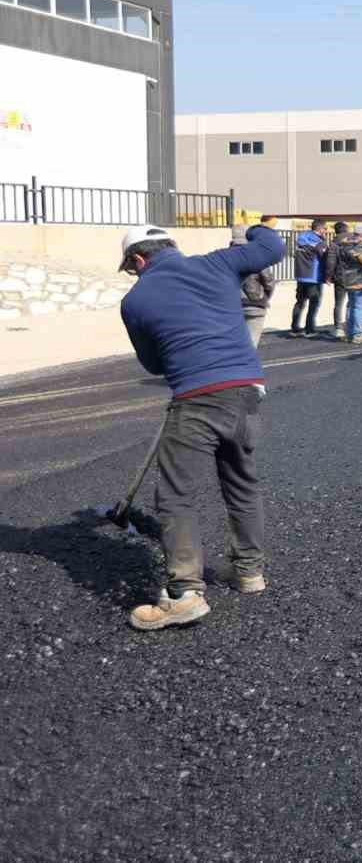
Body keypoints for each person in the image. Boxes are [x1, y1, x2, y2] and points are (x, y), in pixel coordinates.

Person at [117, 221, 286, 630]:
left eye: (131, 268)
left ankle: (185, 594)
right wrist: (253, 228)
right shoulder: (219, 263)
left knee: (176, 498)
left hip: (196, 399)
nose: (133, 274)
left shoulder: (135, 301)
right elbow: (274, 246)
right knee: (241, 483)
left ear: (139, 260)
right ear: (172, 246)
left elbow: (154, 363)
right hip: (247, 391)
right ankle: (249, 572)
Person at [233, 224, 275, 347]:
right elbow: (269, 281)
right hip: (255, 303)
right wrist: (264, 297)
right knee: (251, 342)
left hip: (232, 304)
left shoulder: (224, 256)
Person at [288, 218, 329, 337]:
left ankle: (294, 328)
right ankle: (309, 329)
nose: (326, 231)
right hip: (313, 277)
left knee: (299, 302)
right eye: (325, 229)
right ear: (320, 229)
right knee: (313, 303)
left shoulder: (301, 238)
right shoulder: (319, 242)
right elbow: (325, 259)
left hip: (300, 276)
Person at [324, 220, 349, 339]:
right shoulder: (355, 241)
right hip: (356, 277)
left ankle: (339, 328)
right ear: (347, 229)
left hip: (340, 276)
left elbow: (330, 262)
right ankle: (354, 327)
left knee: (339, 303)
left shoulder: (334, 244)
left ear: (336, 231)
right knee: (354, 303)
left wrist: (328, 276)